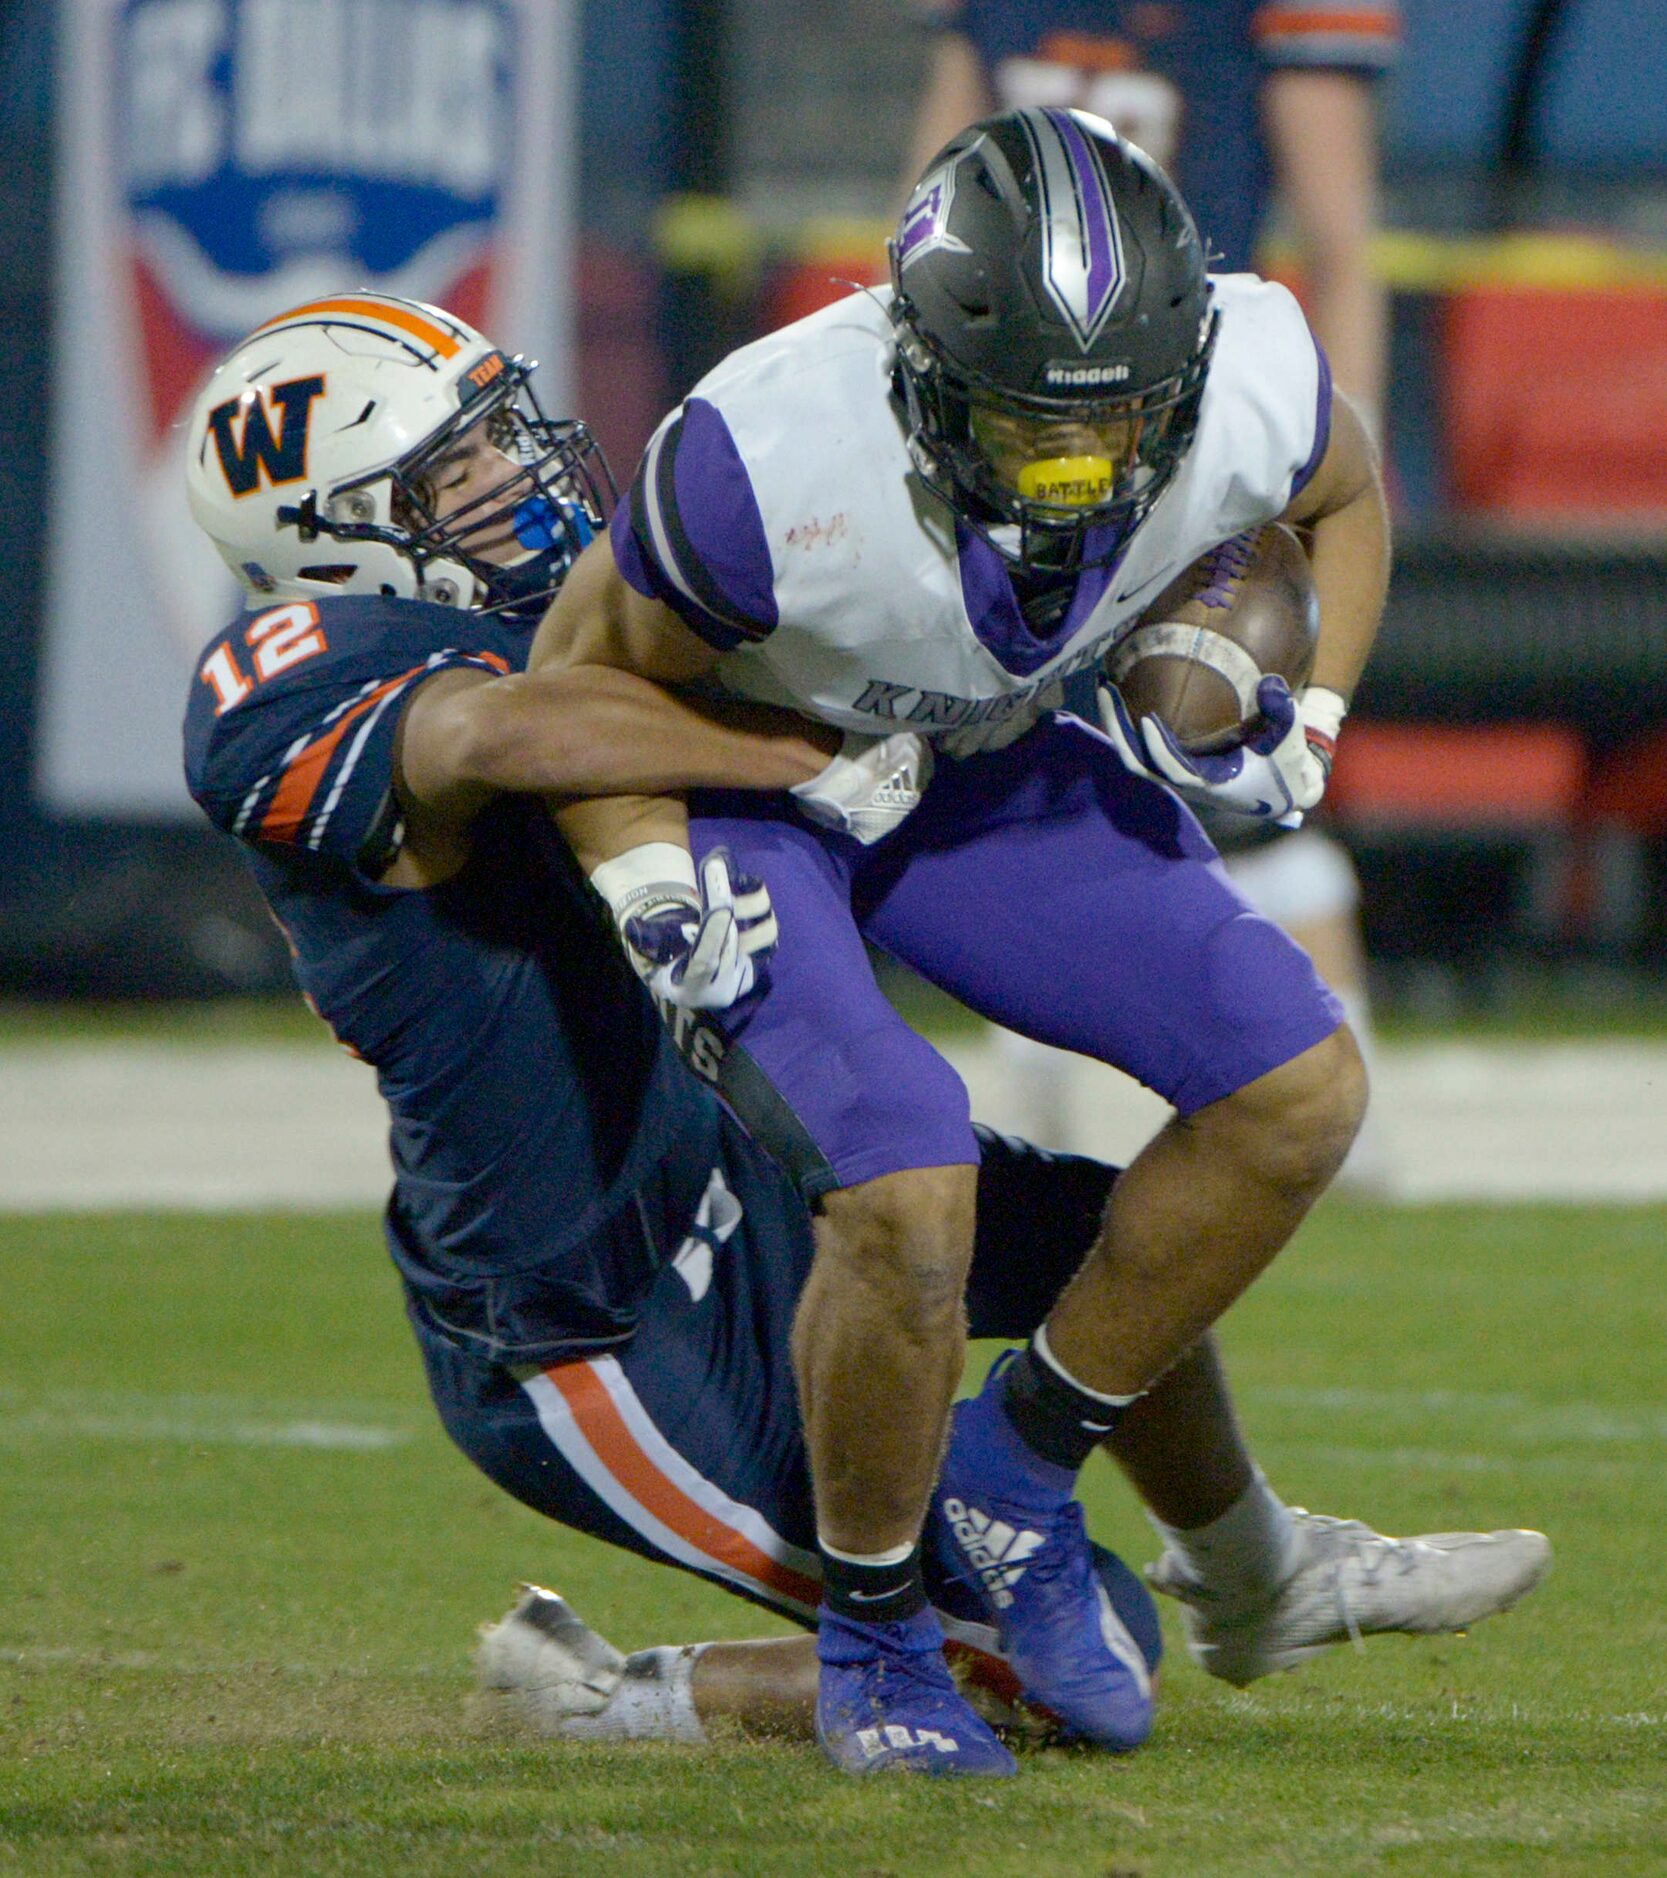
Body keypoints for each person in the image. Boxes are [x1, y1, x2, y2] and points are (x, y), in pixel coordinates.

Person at [180, 290, 1547, 1775]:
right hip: (593, 1310)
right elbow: (499, 737)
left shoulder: (582, 597)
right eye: (459, 473)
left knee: (1116, 1244)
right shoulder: (291, 669)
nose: (522, 474)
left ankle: (1258, 1564)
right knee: (1064, 1662)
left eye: (506, 432)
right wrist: (821, 748)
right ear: (328, 534)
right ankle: (608, 1692)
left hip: (732, 1160)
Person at [529, 111, 1546, 1769]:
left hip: (971, 762)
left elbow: (1346, 490)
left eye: (1116, 421)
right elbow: (578, 690)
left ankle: (1017, 1460)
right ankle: (875, 1636)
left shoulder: (1241, 380)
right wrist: (644, 873)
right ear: (917, 369)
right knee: (910, 1176)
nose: (1080, 465)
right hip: (744, 779)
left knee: (1295, 1089)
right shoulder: (764, 455)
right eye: (1029, 423)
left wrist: (1319, 711)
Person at [902, 0, 1401, 1184]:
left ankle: (1337, 1093)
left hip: (1176, 406)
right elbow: (920, 210)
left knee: (1221, 721)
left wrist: (1334, 453)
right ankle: (1031, 1066)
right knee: (997, 724)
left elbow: (1338, 238)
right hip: (1013, 413)